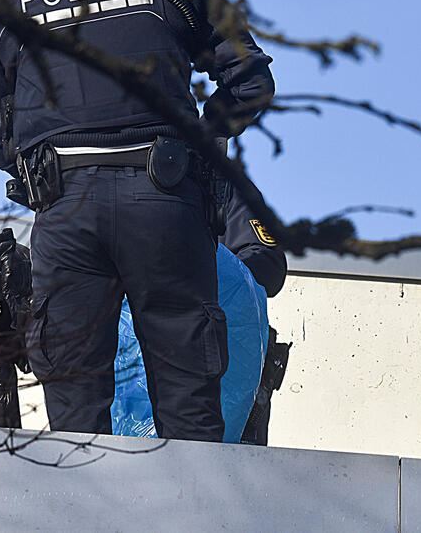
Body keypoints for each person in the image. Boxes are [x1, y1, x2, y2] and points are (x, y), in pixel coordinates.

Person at [0, 0, 276, 440]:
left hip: (65, 210)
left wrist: (48, 162)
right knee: (188, 400)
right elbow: (251, 81)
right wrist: (200, 144)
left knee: (74, 400)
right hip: (165, 201)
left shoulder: (8, 7)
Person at [112, 184, 289, 442]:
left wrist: (202, 266)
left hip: (217, 379)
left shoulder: (219, 184)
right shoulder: (105, 185)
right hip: (124, 388)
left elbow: (267, 265)